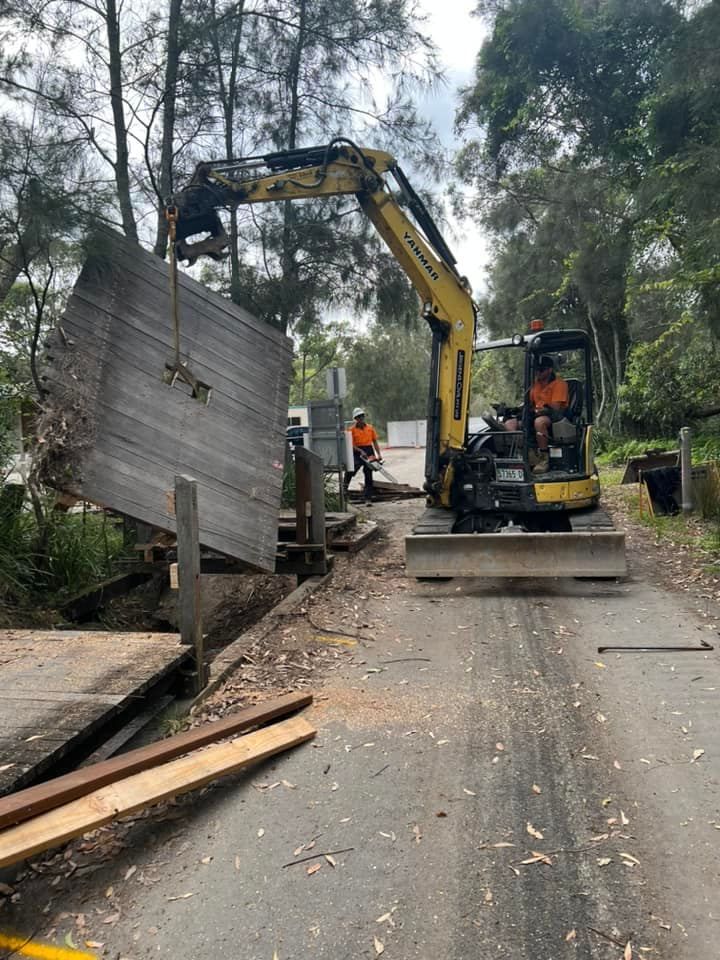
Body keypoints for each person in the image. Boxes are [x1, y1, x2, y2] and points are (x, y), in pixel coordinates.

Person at [505, 355, 568, 474]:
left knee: (539, 422)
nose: (537, 372)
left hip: (554, 415)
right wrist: (516, 410)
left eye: (541, 370)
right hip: (536, 414)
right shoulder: (535, 384)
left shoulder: (559, 384)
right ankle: (529, 454)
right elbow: (528, 402)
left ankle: (544, 459)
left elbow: (556, 407)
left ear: (549, 370)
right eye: (536, 369)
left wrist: (538, 411)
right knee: (509, 424)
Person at [344, 407, 382, 503]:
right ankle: (344, 491)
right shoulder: (351, 430)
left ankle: (368, 498)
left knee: (368, 474)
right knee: (350, 471)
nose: (361, 418)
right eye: (358, 417)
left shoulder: (370, 428)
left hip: (369, 450)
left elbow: (374, 441)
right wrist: (360, 451)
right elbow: (350, 445)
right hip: (357, 452)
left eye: (362, 416)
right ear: (355, 418)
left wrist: (379, 454)